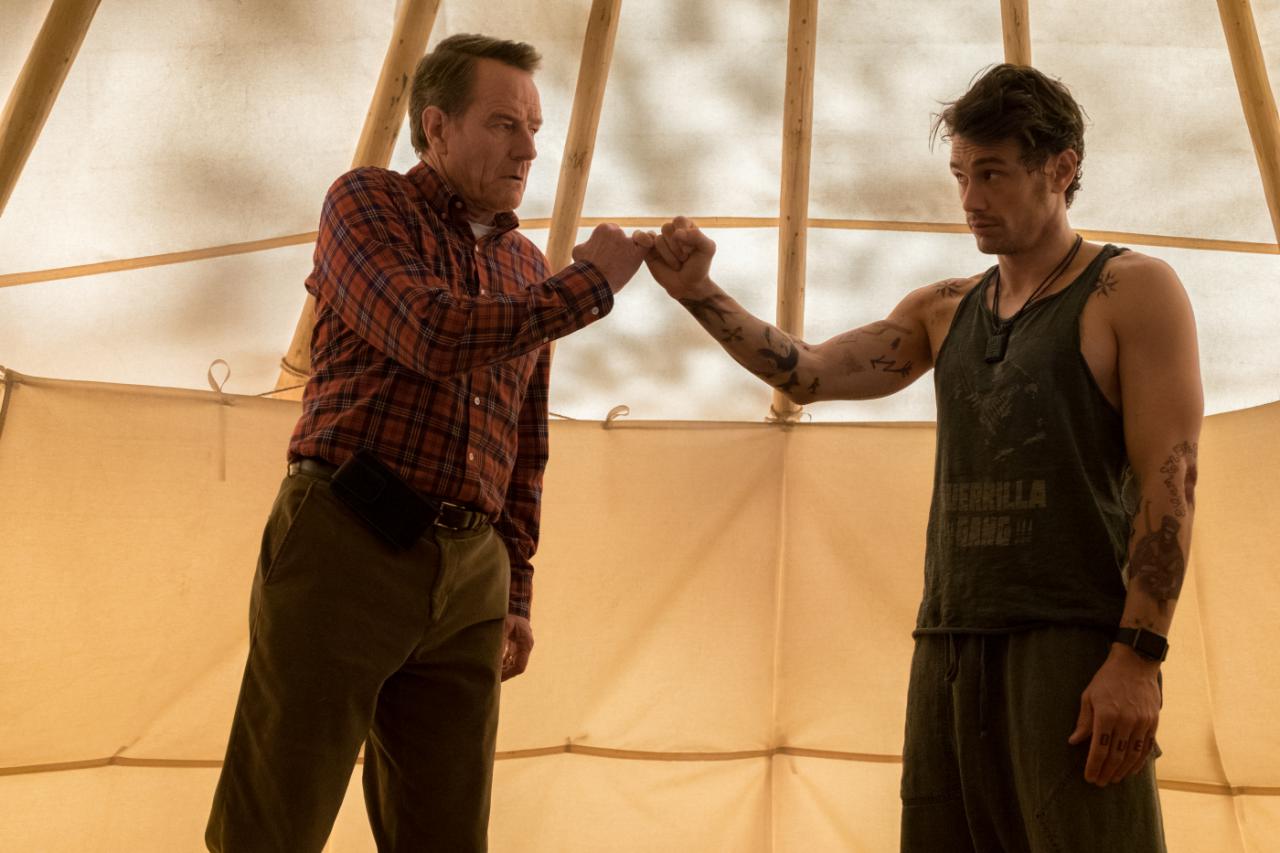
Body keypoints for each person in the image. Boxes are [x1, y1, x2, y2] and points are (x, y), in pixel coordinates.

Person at [642, 64, 1201, 852]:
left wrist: (1138, 658)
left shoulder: (1131, 289)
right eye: (961, 175)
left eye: (993, 173)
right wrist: (700, 293)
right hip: (949, 641)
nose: (971, 198)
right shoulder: (944, 309)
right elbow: (808, 372)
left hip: (1071, 644)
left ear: (1061, 168)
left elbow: (1171, 481)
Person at [206, 33, 648, 852]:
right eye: (504, 124)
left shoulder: (525, 268)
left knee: (446, 834)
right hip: (348, 535)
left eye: (535, 129)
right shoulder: (367, 203)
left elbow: (525, 441)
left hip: (474, 569)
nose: (528, 149)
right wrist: (588, 287)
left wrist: (516, 588)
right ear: (436, 126)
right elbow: (429, 332)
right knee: (274, 821)